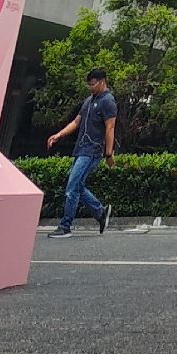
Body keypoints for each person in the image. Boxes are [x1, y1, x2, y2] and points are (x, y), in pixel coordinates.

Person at [45, 68, 116, 239]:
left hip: (92, 151)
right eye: (89, 84)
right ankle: (100, 212)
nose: (90, 87)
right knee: (76, 185)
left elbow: (110, 127)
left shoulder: (108, 101)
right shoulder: (89, 101)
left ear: (102, 82)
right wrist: (59, 135)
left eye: (93, 84)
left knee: (72, 187)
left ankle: (65, 226)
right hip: (81, 149)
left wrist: (108, 154)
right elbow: (76, 122)